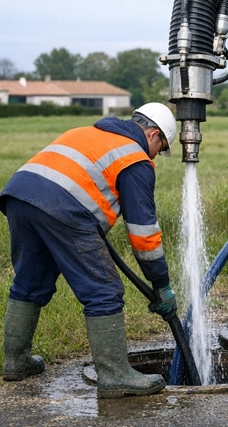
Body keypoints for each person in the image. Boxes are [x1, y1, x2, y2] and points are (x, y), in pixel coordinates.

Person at [1, 103, 179, 398]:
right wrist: (161, 284)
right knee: (104, 290)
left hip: (19, 196)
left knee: (30, 280)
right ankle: (115, 376)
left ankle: (15, 361)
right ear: (153, 134)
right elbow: (143, 235)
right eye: (160, 147)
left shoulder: (86, 132)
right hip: (63, 208)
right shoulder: (135, 158)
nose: (156, 154)